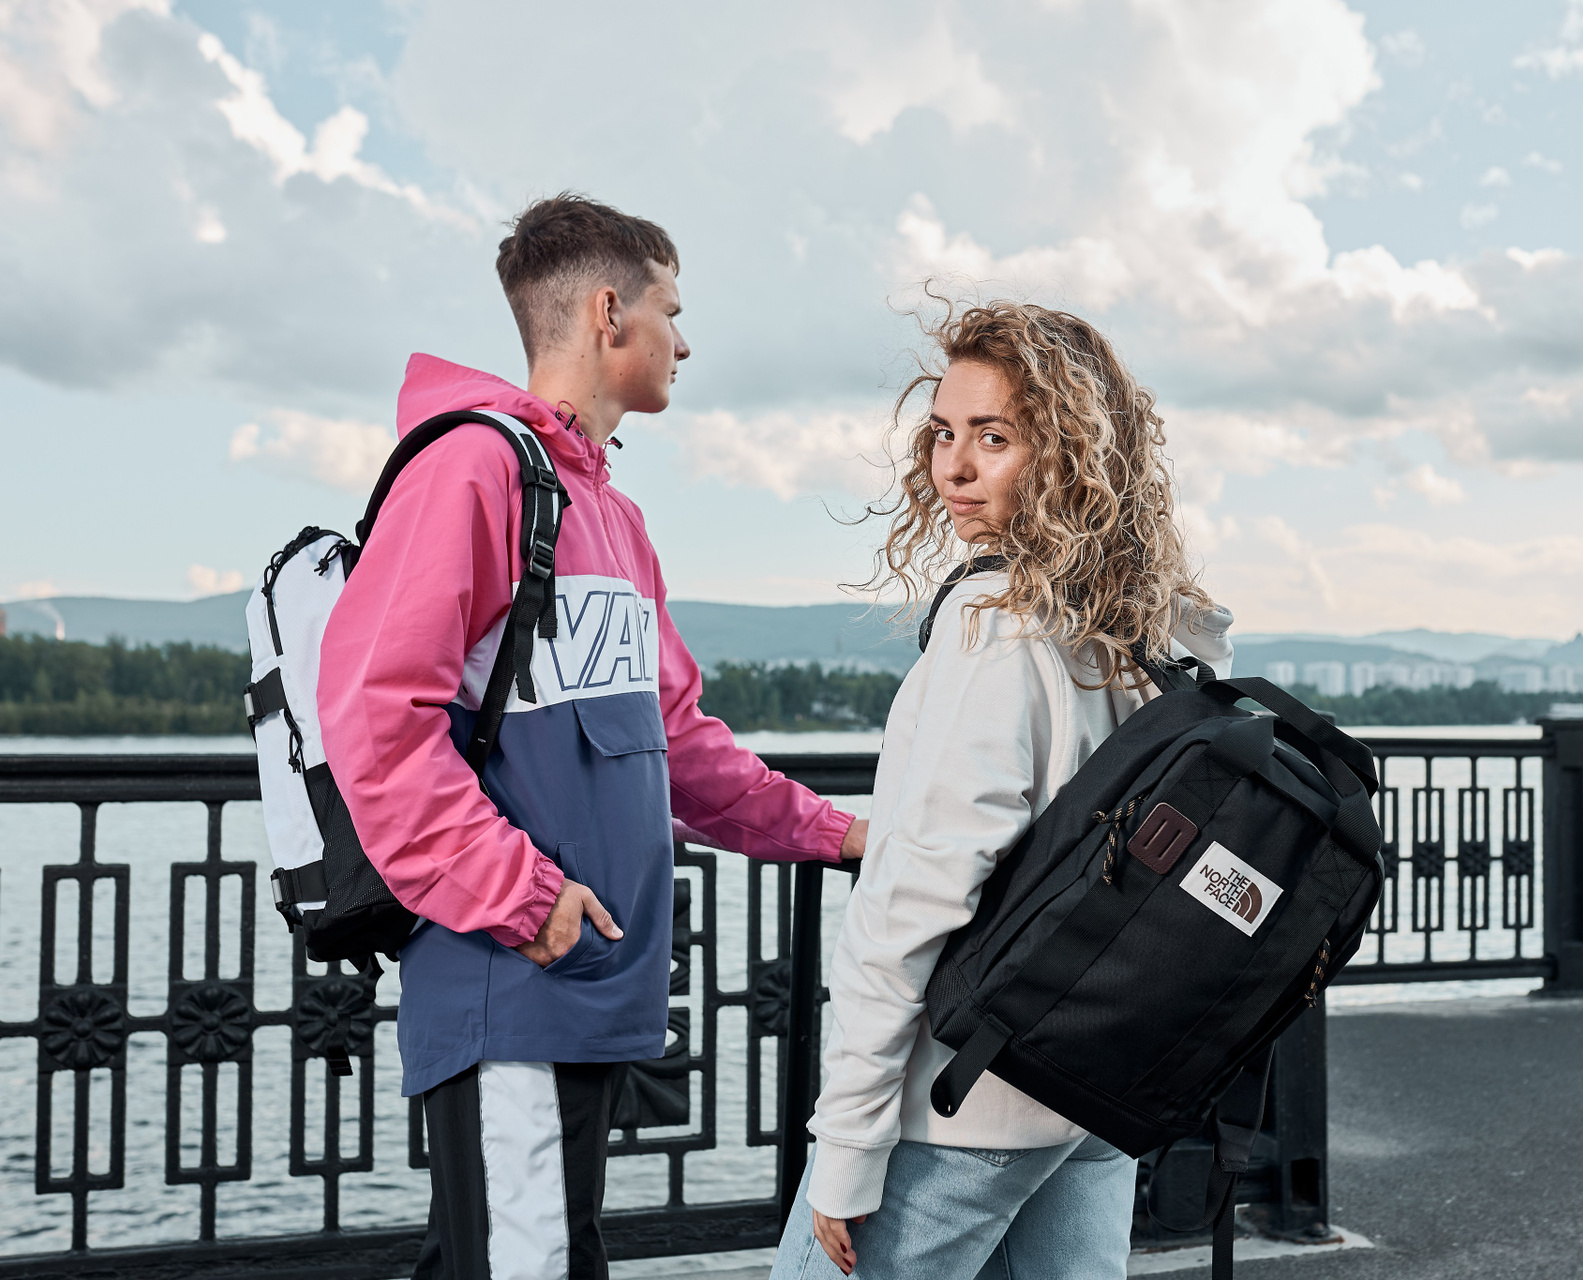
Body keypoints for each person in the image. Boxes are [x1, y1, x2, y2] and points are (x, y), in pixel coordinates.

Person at [318, 193, 868, 1280]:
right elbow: (375, 717)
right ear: (610, 312)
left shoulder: (614, 516)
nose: (685, 342)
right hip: (511, 975)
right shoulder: (471, 467)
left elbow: (678, 744)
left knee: (528, 1256)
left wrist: (843, 834)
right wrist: (524, 897)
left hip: (590, 977)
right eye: (673, 311)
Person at [771, 301, 1234, 1279]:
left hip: (962, 1102)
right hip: (1086, 1088)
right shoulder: (1139, 628)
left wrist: (847, 1141)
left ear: (1067, 455)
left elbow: (914, 896)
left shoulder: (996, 624)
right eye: (944, 433)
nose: (955, 468)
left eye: (994, 437)